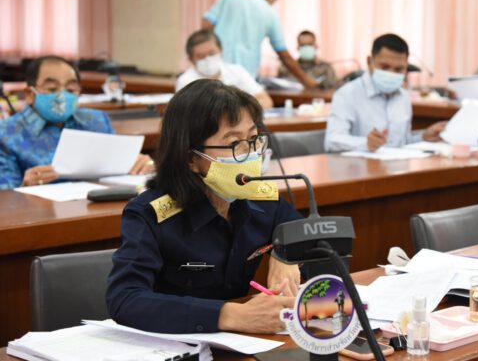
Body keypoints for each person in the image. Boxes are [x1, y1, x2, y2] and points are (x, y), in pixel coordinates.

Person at [106, 80, 301, 334]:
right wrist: (227, 315)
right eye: (234, 144)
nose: (251, 153)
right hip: (176, 343)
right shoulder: (150, 214)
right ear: (191, 158)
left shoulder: (259, 198)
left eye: (253, 139)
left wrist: (285, 253)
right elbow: (125, 299)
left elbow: (301, 228)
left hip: (242, 341)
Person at [0, 56, 154, 190]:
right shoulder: (6, 134)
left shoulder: (96, 121)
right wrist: (24, 186)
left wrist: (141, 164)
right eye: (52, 88)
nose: (62, 95)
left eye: (71, 89)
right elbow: (5, 198)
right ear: (29, 94)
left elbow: (120, 166)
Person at [325, 34, 447, 152]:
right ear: (369, 61)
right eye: (384, 67)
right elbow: (332, 141)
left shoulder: (403, 97)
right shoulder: (347, 94)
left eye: (399, 69)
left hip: (397, 164)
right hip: (360, 165)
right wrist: (366, 143)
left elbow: (402, 143)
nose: (391, 73)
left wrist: (424, 137)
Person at [202, 0, 318, 89]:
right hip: (246, 73)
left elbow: (206, 25)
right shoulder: (270, 13)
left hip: (216, 67)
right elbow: (283, 54)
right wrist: (306, 81)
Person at [176, 29, 274, 109]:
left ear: (221, 50)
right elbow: (188, 114)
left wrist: (239, 112)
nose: (208, 59)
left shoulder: (237, 71)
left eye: (211, 53)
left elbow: (265, 101)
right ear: (191, 60)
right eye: (201, 56)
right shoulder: (185, 81)